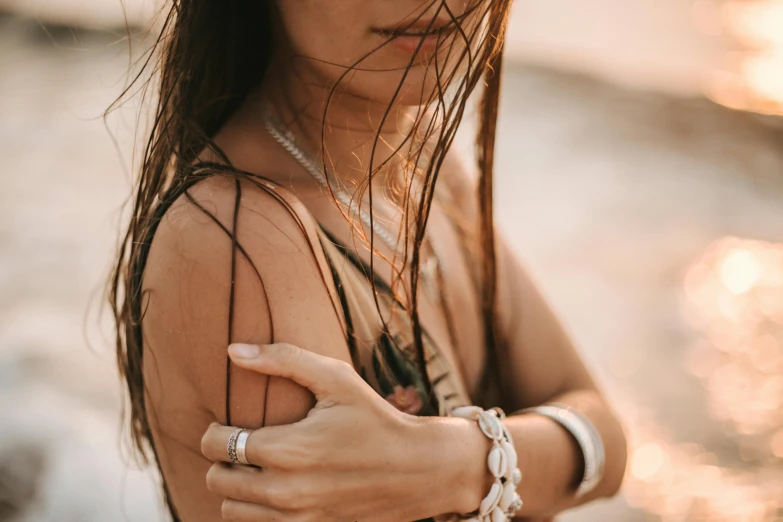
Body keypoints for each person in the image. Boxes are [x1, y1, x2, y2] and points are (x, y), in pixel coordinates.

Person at [109, 1, 628, 520]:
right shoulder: (238, 238)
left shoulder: (425, 168)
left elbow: (606, 442)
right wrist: (520, 460)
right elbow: (582, 447)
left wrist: (455, 463)